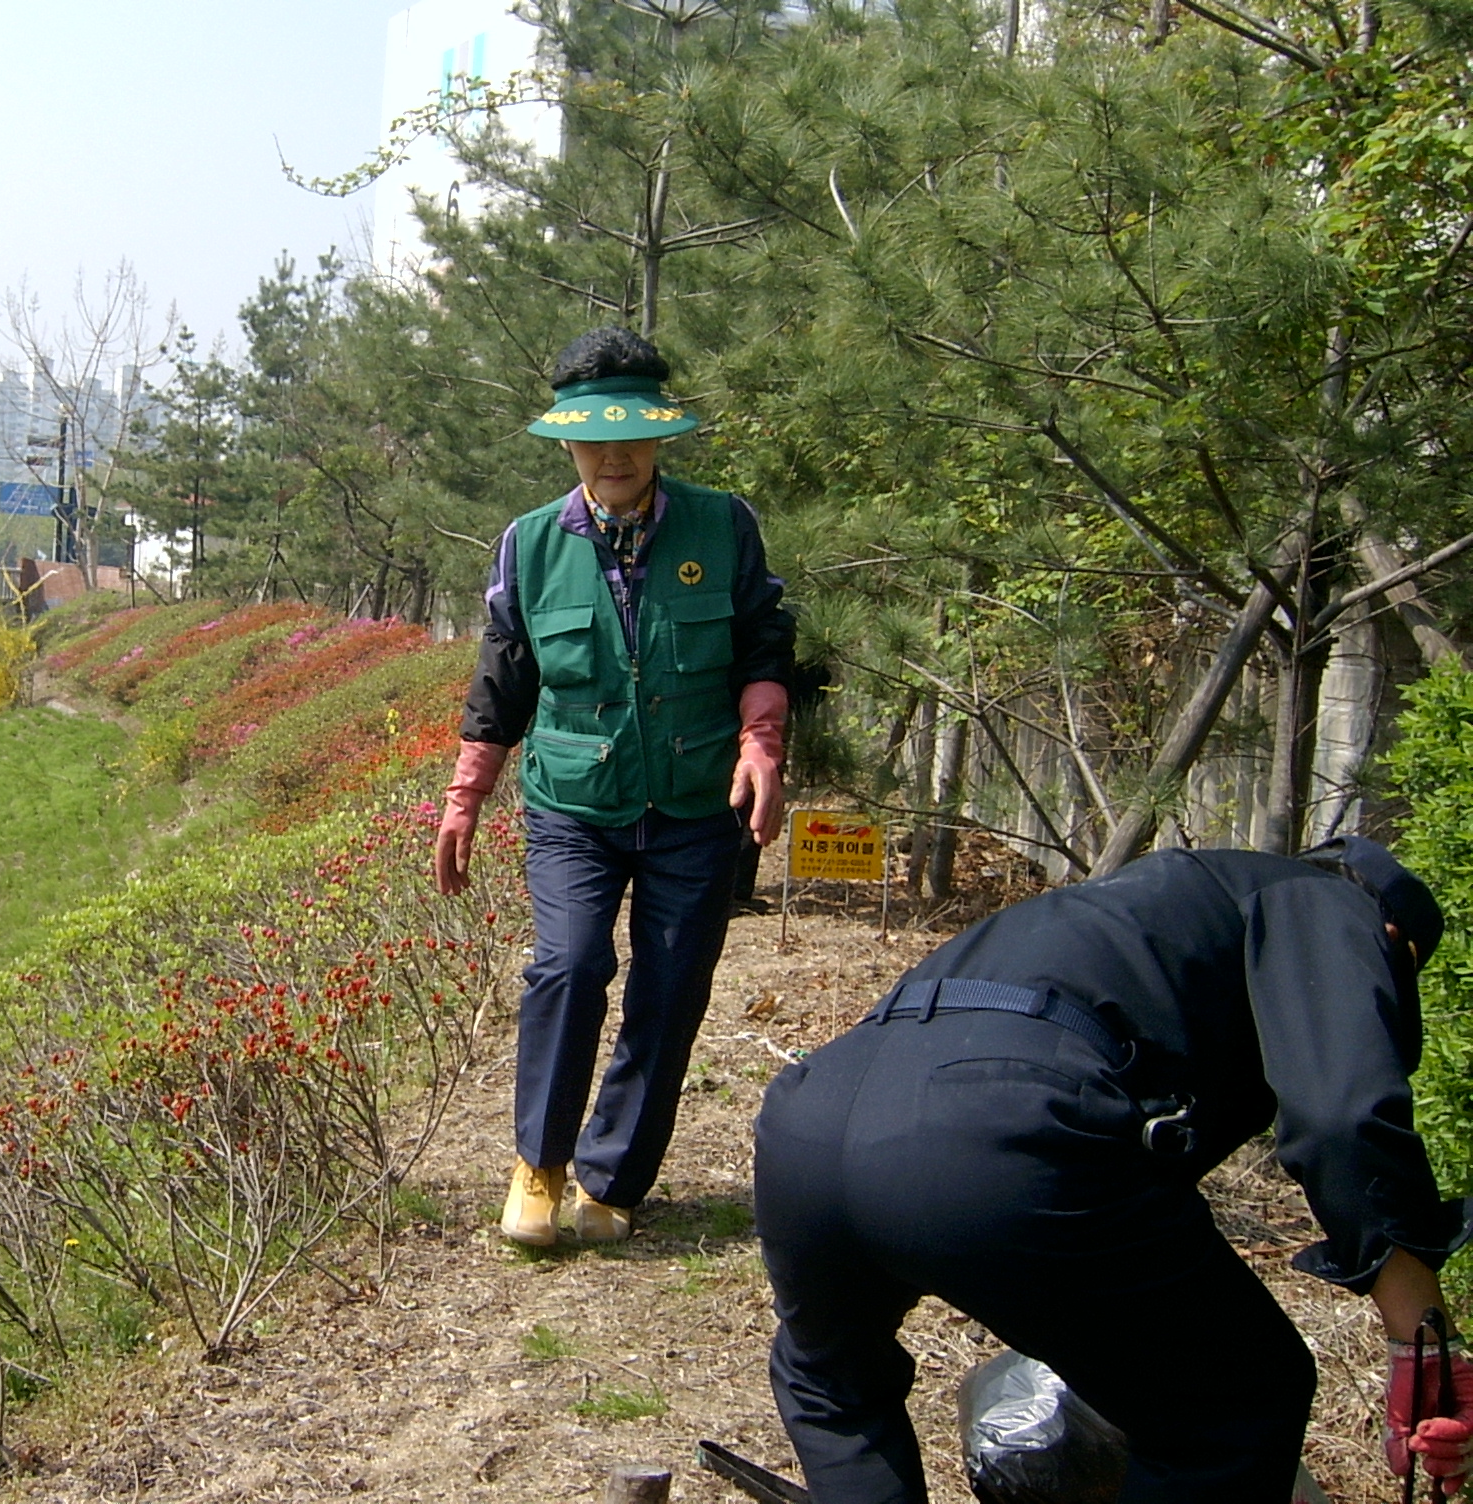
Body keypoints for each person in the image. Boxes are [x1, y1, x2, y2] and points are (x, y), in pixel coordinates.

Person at [753, 836, 1472, 1502]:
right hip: (991, 1134)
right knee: (1240, 1402)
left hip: (807, 1121)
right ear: (1393, 941)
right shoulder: (1327, 903)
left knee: (830, 1384)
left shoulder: (1141, 907)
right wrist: (1421, 1343)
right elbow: (1344, 1117)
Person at [435, 326, 796, 1247]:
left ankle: (611, 1178)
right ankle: (540, 1165)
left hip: (694, 804)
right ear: (568, 441)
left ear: (660, 436)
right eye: (594, 436)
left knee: (673, 989)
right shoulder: (530, 544)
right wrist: (465, 799)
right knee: (568, 965)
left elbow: (762, 642)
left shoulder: (723, 526)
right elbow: (504, 677)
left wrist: (761, 745)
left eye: (633, 433)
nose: (615, 452)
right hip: (573, 805)